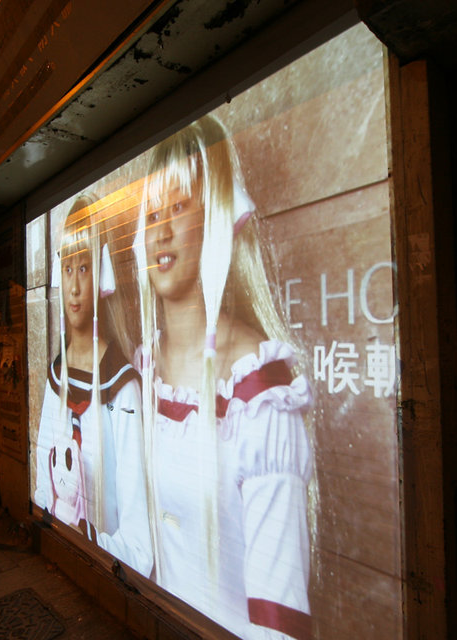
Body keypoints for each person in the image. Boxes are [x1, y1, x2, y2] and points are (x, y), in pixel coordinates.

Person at [133, 115, 314, 639]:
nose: (161, 230)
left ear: (215, 215)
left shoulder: (258, 391)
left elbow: (278, 621)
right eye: (152, 213)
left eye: (179, 206)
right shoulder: (142, 368)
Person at [34, 194, 152, 578]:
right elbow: (42, 485)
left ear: (101, 273)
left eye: (84, 268)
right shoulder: (56, 377)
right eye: (67, 268)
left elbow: (138, 544)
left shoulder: (122, 385)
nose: (73, 287)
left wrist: (89, 541)